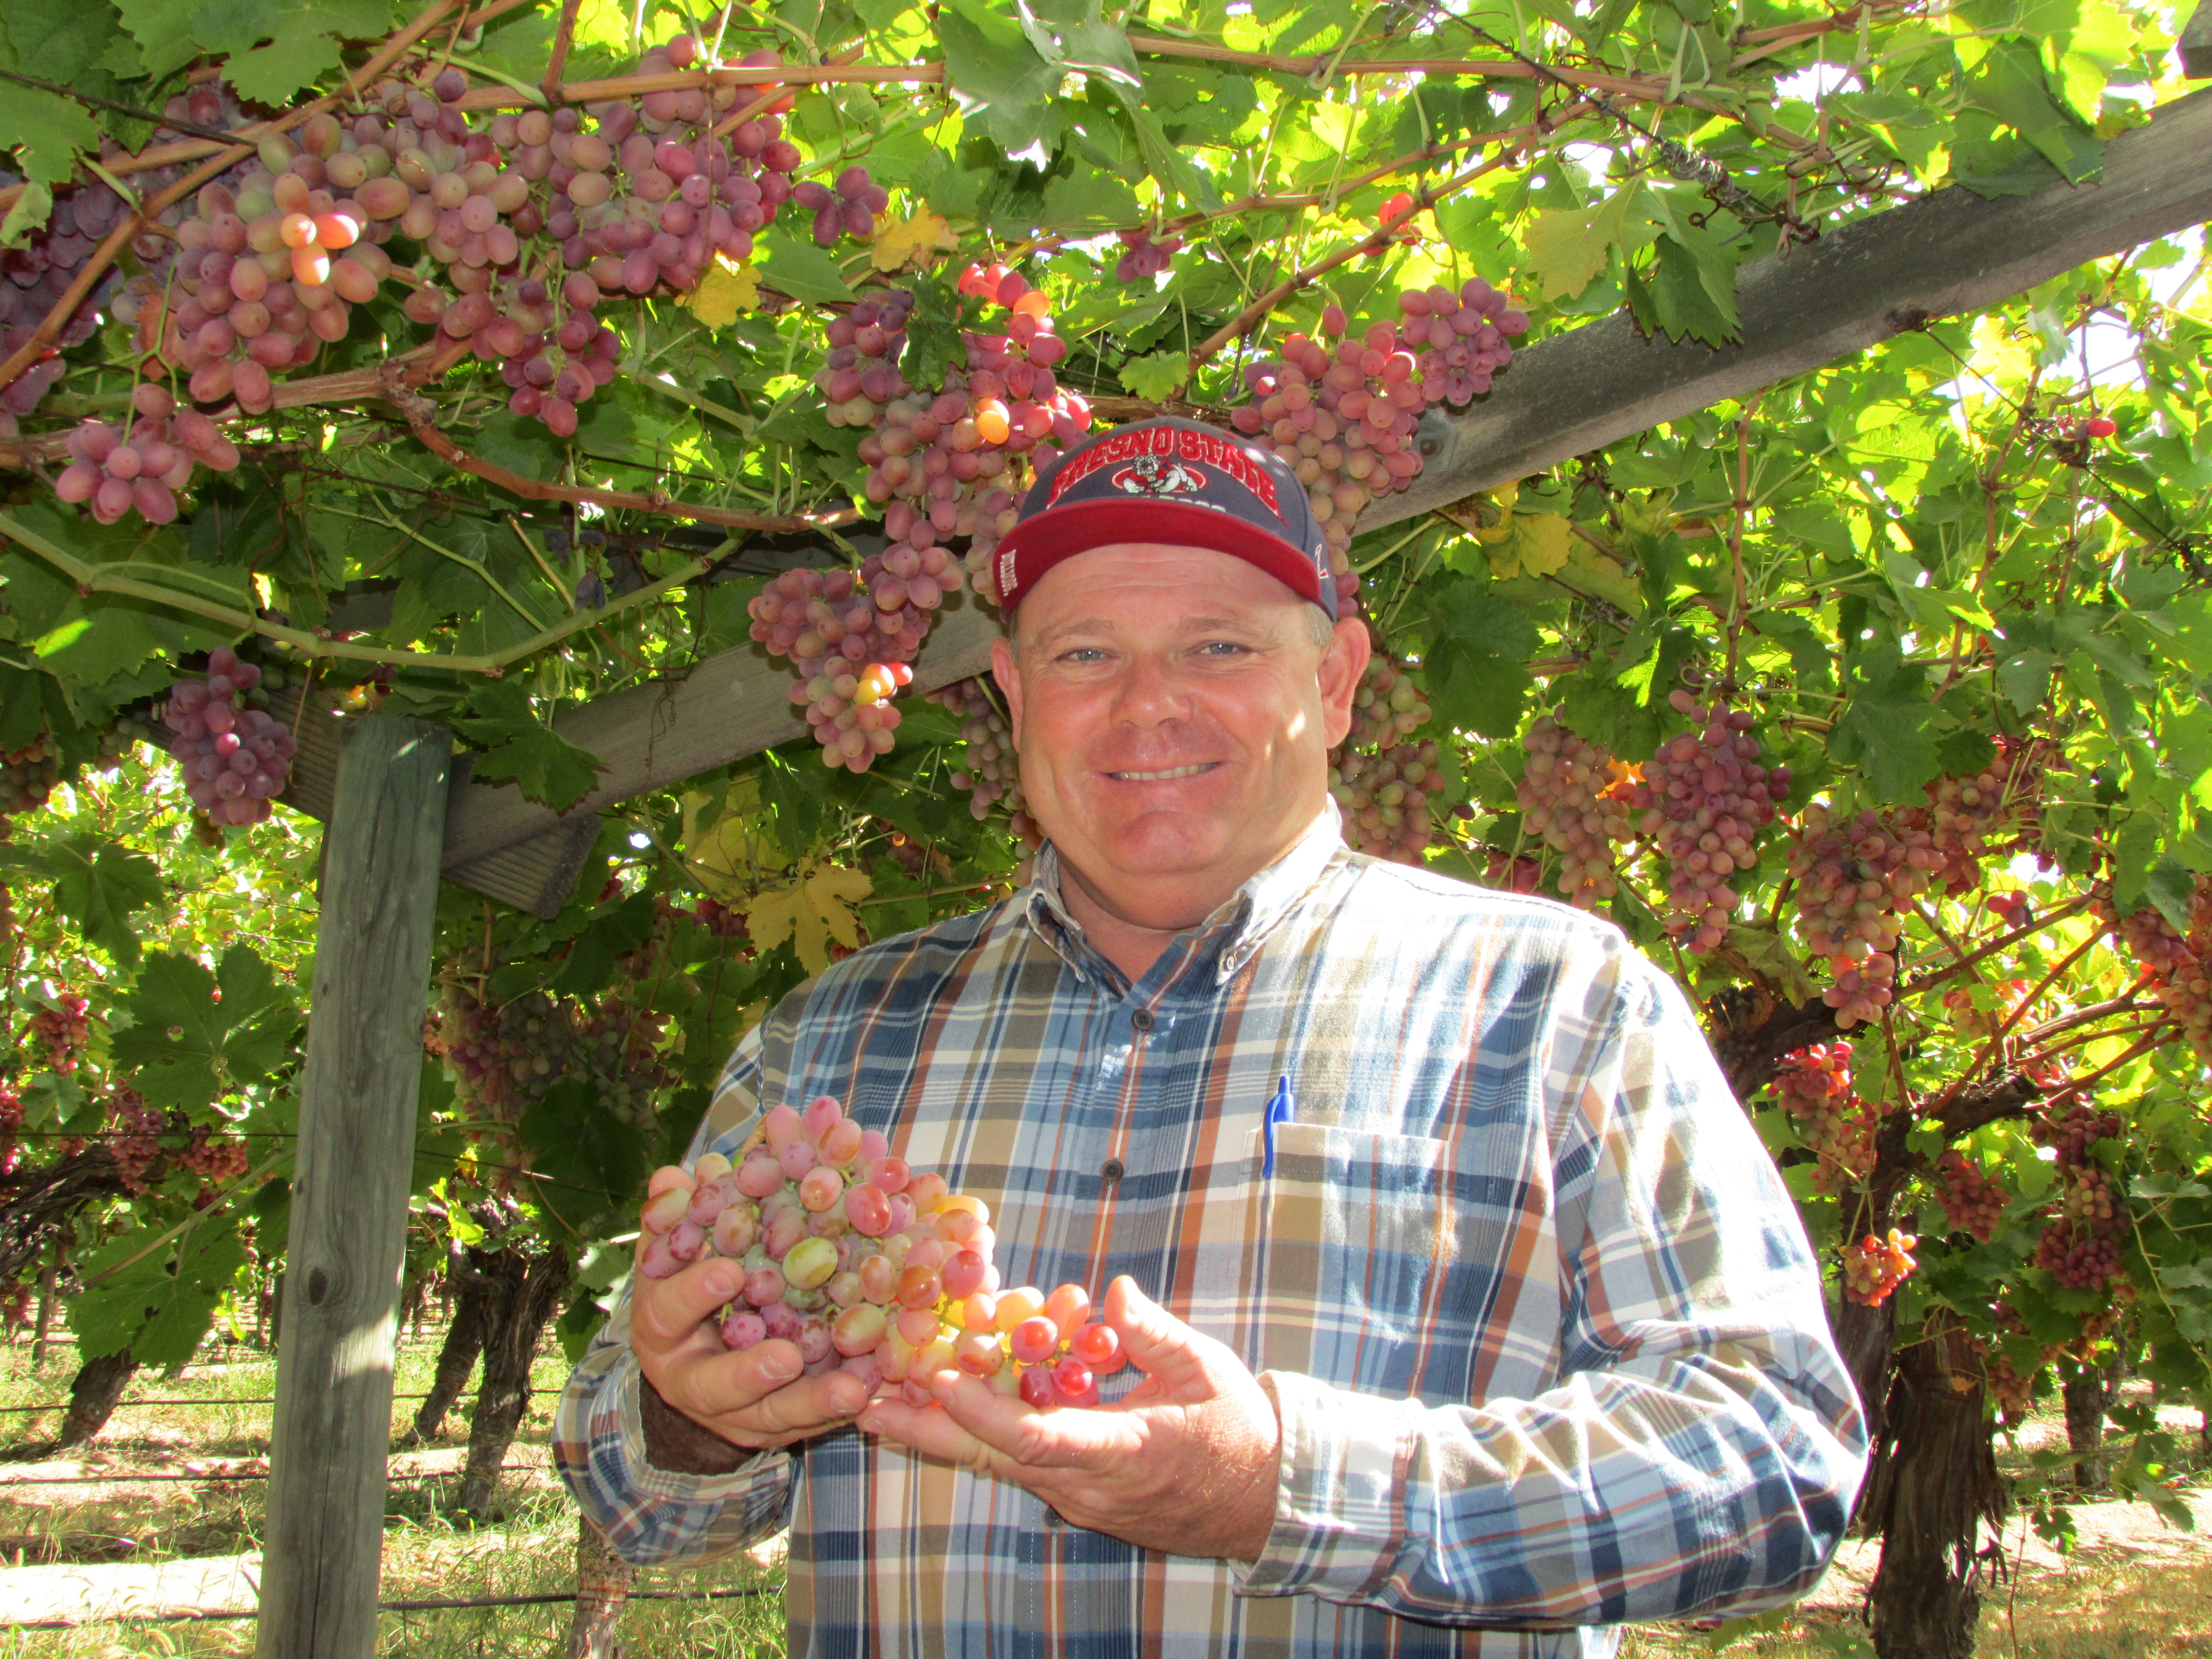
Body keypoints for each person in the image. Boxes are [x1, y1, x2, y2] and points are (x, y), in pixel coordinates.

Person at [555, 416, 1867, 1657]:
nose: (1148, 708)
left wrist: (1285, 1490)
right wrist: (689, 1416)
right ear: (1013, 691)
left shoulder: (1555, 1007)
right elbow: (637, 1501)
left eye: (1219, 649)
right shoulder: (831, 1047)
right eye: (1083, 655)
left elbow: (1772, 1459)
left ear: (1337, 681)